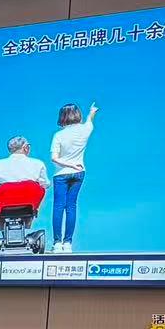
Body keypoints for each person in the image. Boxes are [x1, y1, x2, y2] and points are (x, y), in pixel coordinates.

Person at [49, 101, 97, 253]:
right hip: (79, 172)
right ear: (77, 115)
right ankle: (68, 243)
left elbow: (54, 158)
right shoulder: (85, 130)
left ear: (62, 117)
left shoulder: (58, 135)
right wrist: (91, 112)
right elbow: (89, 121)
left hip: (61, 174)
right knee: (71, 206)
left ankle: (57, 243)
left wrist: (69, 165)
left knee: (58, 207)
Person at [0, 136, 49, 237]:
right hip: (28, 204)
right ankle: (31, 216)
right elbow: (45, 184)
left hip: (2, 205)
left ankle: (2, 229)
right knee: (40, 189)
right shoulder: (38, 164)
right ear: (25, 148)